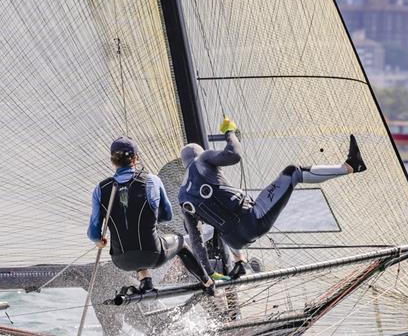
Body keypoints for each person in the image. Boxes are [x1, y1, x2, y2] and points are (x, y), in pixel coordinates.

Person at [178, 117, 367, 252]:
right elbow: (234, 154)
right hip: (253, 220)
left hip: (235, 242)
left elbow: (195, 238)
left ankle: (239, 263)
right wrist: (230, 132)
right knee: (293, 172)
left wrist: (208, 274)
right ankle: (350, 166)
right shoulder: (202, 159)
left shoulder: (183, 196)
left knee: (223, 219)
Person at [88, 137, 214, 295]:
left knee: (132, 239)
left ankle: (146, 281)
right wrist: (149, 219)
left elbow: (93, 234)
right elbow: (167, 215)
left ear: (112, 160)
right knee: (181, 243)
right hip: (153, 255)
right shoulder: (152, 181)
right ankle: (208, 282)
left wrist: (99, 241)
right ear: (136, 158)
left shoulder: (100, 189)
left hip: (121, 260)